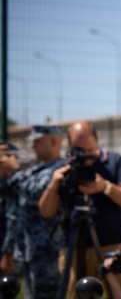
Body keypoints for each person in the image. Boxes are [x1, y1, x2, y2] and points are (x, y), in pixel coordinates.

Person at [39, 121, 121, 299]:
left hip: (113, 246)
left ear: (97, 140)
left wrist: (105, 187)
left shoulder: (114, 162)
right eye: (80, 151)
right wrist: (54, 185)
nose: (86, 158)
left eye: (90, 151)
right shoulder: (63, 169)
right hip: (73, 248)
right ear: (69, 145)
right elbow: (45, 211)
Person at [0, 125, 66, 298]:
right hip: (29, 248)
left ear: (53, 142)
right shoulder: (35, 170)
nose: (33, 146)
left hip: (47, 249)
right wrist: (5, 170)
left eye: (37, 142)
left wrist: (14, 170)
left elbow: (34, 193)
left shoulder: (60, 169)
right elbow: (10, 192)